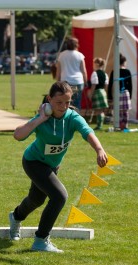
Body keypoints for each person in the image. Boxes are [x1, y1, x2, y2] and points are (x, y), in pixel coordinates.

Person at [9, 81, 108, 253]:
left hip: (52, 166)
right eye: (59, 102)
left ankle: (16, 216)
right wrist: (40, 119)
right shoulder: (43, 118)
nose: (63, 106)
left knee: (36, 200)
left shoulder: (72, 117)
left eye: (68, 102)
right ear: (49, 100)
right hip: (33, 162)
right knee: (60, 196)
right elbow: (18, 135)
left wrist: (99, 149)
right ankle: (40, 240)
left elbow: (87, 132)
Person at [56, 37, 88, 111]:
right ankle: (76, 120)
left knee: (66, 103)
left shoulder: (61, 55)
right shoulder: (80, 55)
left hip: (65, 81)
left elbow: (58, 71)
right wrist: (86, 82)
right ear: (76, 45)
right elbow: (84, 71)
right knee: (77, 103)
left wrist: (57, 81)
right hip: (77, 81)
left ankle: (67, 120)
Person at [108, 54, 132, 130]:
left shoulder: (114, 71)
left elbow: (110, 85)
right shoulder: (127, 71)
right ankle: (125, 126)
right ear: (124, 62)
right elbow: (130, 85)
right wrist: (130, 96)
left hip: (117, 93)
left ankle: (118, 125)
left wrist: (110, 96)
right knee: (125, 111)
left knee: (117, 110)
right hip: (125, 93)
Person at [87, 57, 109, 130]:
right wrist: (105, 93)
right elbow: (106, 85)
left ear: (96, 64)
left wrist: (91, 94)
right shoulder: (105, 74)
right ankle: (100, 124)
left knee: (98, 110)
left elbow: (94, 84)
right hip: (103, 91)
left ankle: (99, 125)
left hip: (97, 92)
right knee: (101, 110)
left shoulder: (95, 73)